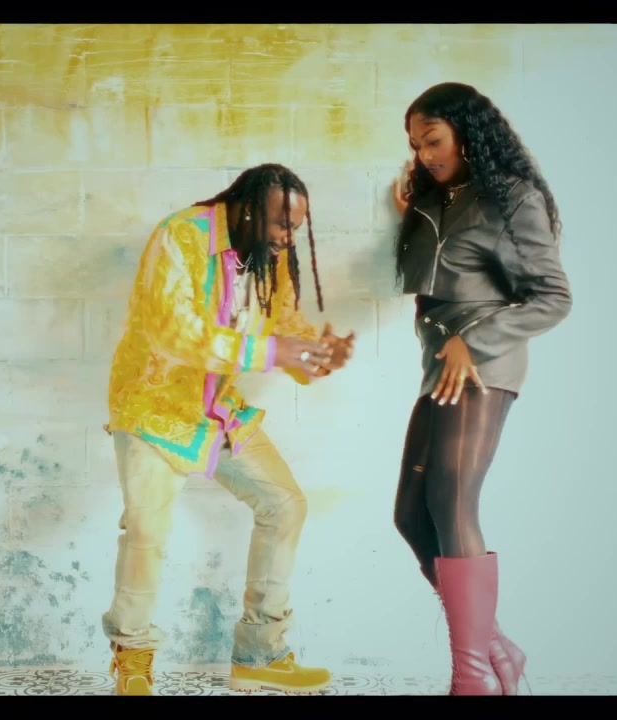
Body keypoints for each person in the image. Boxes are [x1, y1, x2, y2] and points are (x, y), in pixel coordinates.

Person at [102, 163, 357, 696]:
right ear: (246, 208)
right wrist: (273, 351)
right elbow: (173, 332)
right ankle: (132, 661)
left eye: (295, 228)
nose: (288, 238)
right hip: (153, 405)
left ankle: (260, 655)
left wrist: (317, 356)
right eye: (281, 223)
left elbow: (284, 326)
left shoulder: (269, 258)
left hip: (218, 409)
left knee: (284, 504)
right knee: (146, 531)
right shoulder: (181, 235)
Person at [388, 82, 573, 696]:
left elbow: (553, 298)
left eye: (433, 140)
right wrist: (410, 210)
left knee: (451, 503)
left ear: (468, 134)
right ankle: (495, 649)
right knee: (410, 515)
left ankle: (473, 676)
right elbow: (428, 275)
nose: (424, 154)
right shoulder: (433, 198)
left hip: (483, 362)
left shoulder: (514, 198)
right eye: (415, 145)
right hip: (439, 364)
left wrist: (475, 339)